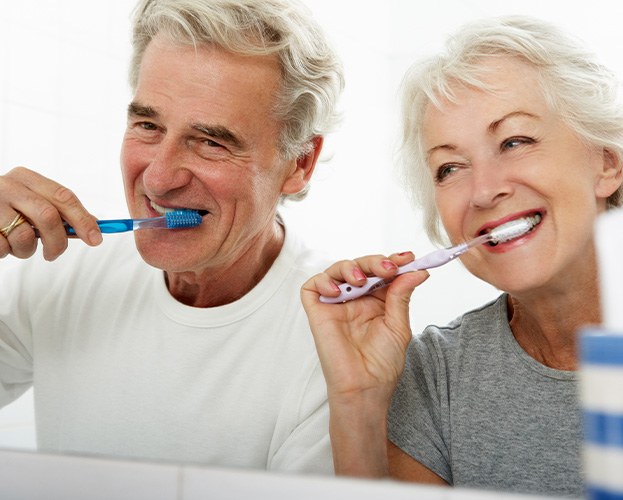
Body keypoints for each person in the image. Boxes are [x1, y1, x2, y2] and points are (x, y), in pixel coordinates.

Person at [0, 0, 343, 473]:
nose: (159, 179)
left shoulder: (335, 342)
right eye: (148, 125)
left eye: (211, 142)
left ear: (299, 163)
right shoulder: (62, 272)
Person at [301, 15, 623, 497]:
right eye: (449, 168)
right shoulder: (435, 373)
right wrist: (359, 403)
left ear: (607, 163)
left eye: (514, 141)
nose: (484, 191)